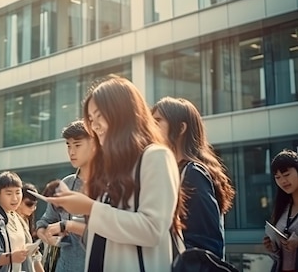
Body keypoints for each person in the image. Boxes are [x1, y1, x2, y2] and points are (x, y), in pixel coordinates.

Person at [46, 75, 182, 272]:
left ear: (122, 112)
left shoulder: (156, 156)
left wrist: (90, 208)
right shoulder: (110, 169)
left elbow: (152, 230)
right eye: (91, 119)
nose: (94, 125)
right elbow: (105, 237)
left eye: (99, 115)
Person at [151, 96, 235, 258]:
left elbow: (206, 245)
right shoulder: (173, 172)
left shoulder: (193, 173)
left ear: (181, 128)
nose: (151, 127)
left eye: (158, 121)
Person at [36, 120, 96, 272]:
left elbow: (108, 232)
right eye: (68, 145)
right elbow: (46, 220)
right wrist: (44, 233)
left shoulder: (107, 185)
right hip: (65, 265)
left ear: (94, 144)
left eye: (77, 145)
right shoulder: (66, 183)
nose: (71, 152)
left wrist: (68, 226)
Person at [0, 171, 33, 272]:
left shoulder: (18, 218)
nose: (15, 198)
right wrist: (12, 257)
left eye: (18, 192)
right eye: (9, 193)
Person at [264, 149, 298, 272]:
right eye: (277, 177)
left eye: (286, 174)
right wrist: (273, 248)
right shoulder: (282, 208)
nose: (283, 181)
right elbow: (278, 258)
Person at [18, 183, 45, 272]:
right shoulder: (8, 221)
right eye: (29, 204)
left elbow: (35, 258)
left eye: (35, 205)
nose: (33, 208)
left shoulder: (27, 220)